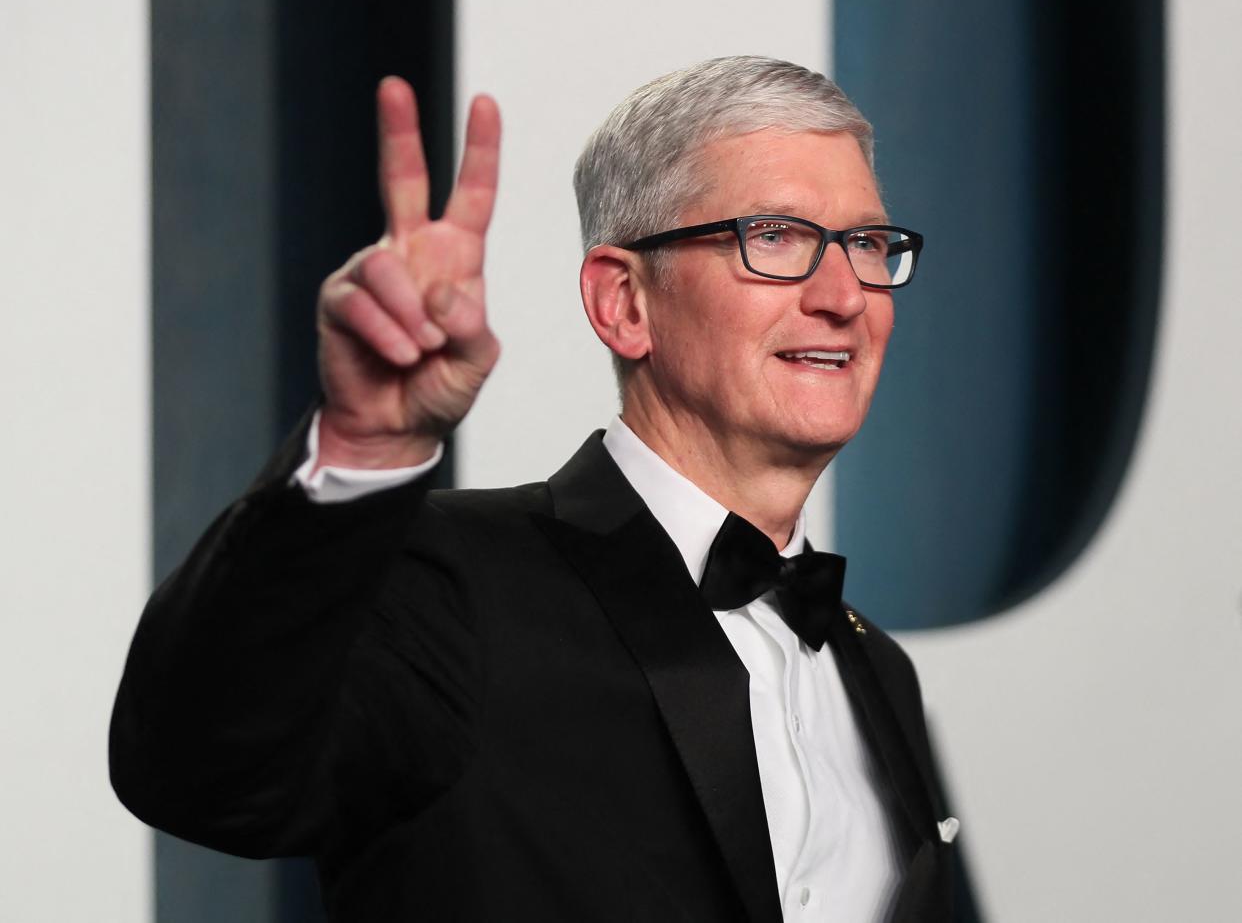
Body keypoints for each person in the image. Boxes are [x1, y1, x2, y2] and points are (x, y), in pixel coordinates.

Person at [111, 56, 952, 922]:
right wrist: (364, 446)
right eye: (775, 237)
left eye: (868, 244)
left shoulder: (879, 670)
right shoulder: (448, 586)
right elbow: (199, 771)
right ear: (624, 302)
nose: (845, 295)